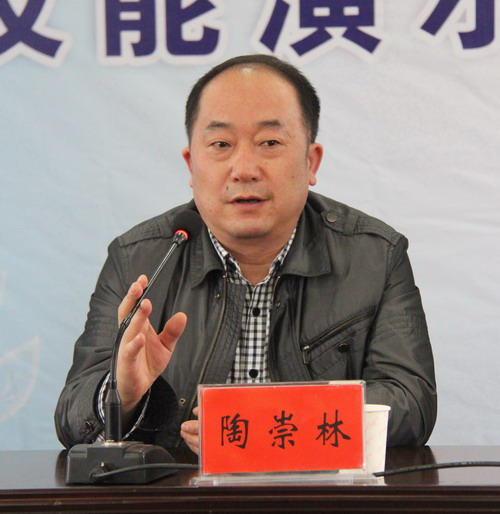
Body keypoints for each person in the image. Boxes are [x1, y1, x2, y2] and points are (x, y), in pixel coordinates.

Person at [55, 54, 437, 456]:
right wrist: (124, 393)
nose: (244, 168)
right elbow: (71, 420)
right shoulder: (141, 258)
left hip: (321, 489)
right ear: (191, 164)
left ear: (311, 161)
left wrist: (263, 423)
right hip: (180, 489)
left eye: (269, 143)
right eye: (221, 145)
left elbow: (411, 404)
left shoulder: (374, 256)